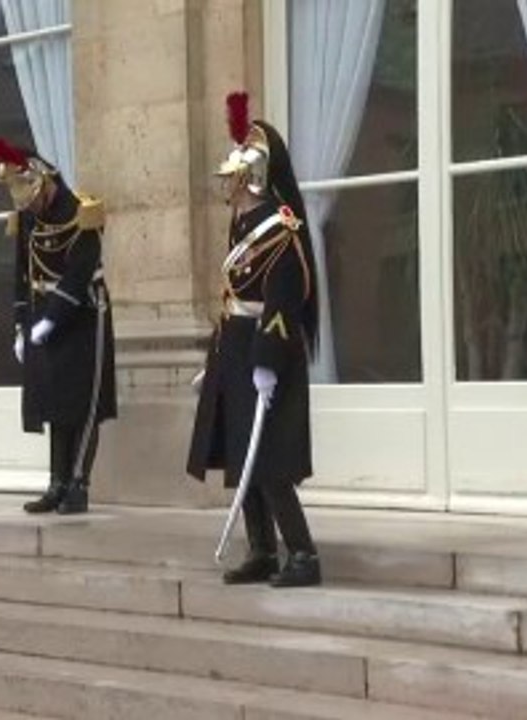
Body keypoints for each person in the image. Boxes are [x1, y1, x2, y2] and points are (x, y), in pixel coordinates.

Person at [186, 92, 322, 588]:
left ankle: (303, 554)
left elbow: (284, 302)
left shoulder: (280, 231)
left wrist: (267, 360)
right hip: (237, 347)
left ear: (253, 176)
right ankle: (263, 549)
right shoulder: (242, 223)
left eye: (234, 177)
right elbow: (231, 297)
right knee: (244, 452)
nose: (228, 186)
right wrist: (215, 358)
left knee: (271, 462)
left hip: (270, 352)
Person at [0, 138, 117, 515]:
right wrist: (20, 324)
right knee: (52, 401)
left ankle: (79, 482)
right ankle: (56, 482)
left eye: (31, 197)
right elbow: (21, 272)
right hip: (41, 311)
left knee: (81, 405)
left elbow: (80, 271)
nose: (28, 206)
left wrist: (51, 319)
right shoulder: (29, 214)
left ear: (44, 183)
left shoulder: (83, 211)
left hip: (81, 315)